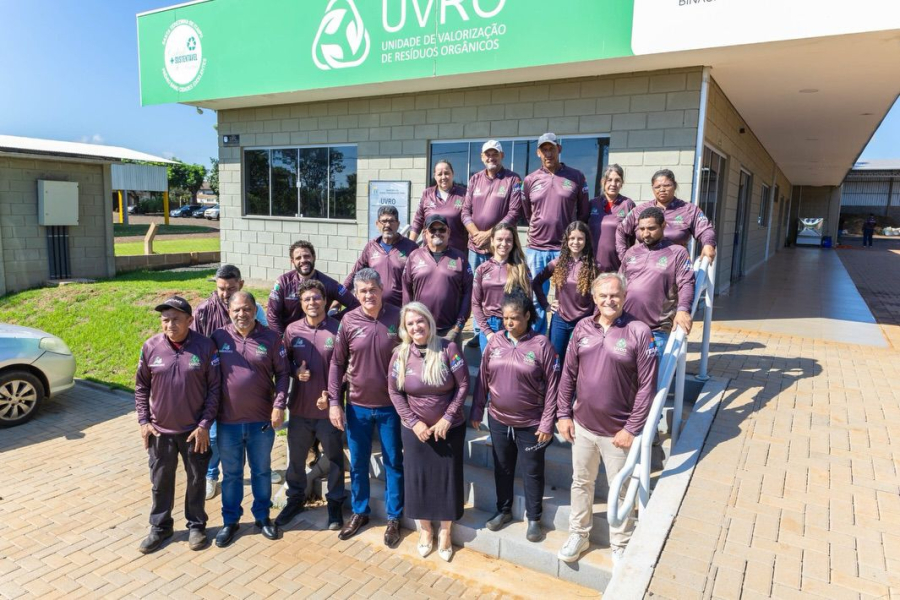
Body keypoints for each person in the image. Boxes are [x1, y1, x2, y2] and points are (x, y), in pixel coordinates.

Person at [556, 273, 658, 566]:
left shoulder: (639, 331)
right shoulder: (582, 328)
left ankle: (621, 544)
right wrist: (563, 414)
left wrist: (631, 428)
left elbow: (646, 387)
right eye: (603, 296)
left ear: (625, 297)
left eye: (614, 295)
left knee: (620, 488)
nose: (609, 300)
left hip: (618, 432)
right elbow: (568, 375)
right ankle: (579, 533)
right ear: (595, 298)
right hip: (584, 426)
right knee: (581, 482)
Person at [471, 292, 559, 543]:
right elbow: (483, 379)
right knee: (502, 467)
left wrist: (546, 422)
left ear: (528, 317)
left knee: (532, 471)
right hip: (499, 419)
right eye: (505, 318)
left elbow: (554, 386)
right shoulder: (496, 342)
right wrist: (478, 410)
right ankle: (504, 510)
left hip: (531, 423)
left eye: (515, 319)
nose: (509, 323)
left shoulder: (542, 345)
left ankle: (534, 519)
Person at [134, 296, 219, 554]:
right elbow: (141, 387)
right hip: (160, 431)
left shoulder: (205, 347)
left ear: (190, 321)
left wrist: (205, 424)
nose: (170, 325)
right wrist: (144, 421)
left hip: (195, 432)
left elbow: (215, 389)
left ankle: (196, 525)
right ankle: (160, 527)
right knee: (160, 482)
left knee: (195, 480)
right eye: (165, 320)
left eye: (176, 319)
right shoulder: (150, 347)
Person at [327, 268, 404, 547]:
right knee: (358, 464)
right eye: (363, 291)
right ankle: (360, 512)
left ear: (381, 289)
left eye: (373, 289)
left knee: (393, 462)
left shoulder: (398, 316)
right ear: (356, 294)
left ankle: (394, 517)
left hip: (391, 407)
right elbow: (336, 363)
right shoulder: (348, 321)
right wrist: (335, 402)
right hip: (357, 406)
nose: (369, 295)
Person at [388, 302, 469, 561]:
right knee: (418, 478)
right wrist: (413, 422)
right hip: (416, 431)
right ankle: (425, 530)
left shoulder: (448, 348)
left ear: (429, 322)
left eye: (419, 321)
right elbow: (393, 391)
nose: (416, 327)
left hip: (448, 429)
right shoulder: (400, 354)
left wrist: (447, 417)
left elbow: (463, 384)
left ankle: (445, 531)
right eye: (410, 324)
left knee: (447, 478)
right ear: (405, 328)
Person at [211, 291, 290, 547]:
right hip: (227, 422)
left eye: (246, 309)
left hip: (261, 422)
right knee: (231, 475)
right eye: (236, 310)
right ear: (229, 312)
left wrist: (279, 406)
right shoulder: (219, 337)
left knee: (261, 471)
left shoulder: (271, 338)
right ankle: (230, 521)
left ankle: (263, 517)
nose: (241, 314)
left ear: (255, 310)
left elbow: (283, 374)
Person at [191, 264, 267, 502]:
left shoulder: (255, 310)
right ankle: (211, 475)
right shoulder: (203, 311)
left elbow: (265, 338)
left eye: (231, 288)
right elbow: (194, 346)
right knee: (212, 437)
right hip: (213, 388)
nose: (225, 294)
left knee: (249, 440)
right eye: (221, 288)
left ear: (241, 285)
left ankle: (259, 474)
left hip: (247, 393)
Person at [275, 279, 346, 531]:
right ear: (301, 304)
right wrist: (296, 371)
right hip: (300, 410)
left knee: (335, 459)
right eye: (306, 299)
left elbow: (349, 369)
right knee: (295, 460)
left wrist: (333, 394)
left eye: (316, 298)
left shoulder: (338, 329)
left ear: (325, 300)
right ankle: (295, 499)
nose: (312, 303)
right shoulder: (292, 331)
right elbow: (282, 367)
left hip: (328, 411)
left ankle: (335, 503)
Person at [522, 133, 591, 335]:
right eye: (544, 149)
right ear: (538, 153)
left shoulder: (576, 176)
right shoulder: (530, 180)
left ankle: (565, 341)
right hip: (537, 247)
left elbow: (583, 212)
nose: (548, 153)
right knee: (536, 298)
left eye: (551, 148)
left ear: (559, 149)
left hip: (566, 249)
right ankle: (538, 341)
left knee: (569, 296)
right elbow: (527, 213)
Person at [461, 141, 523, 345]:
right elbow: (465, 212)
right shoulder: (474, 179)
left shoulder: (512, 179)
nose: (491, 158)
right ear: (481, 157)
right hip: (475, 247)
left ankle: (505, 331)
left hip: (500, 246)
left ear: (502, 155)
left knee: (502, 288)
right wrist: (477, 234)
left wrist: (490, 235)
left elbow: (514, 212)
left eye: (495, 154)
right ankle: (480, 334)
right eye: (487, 154)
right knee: (477, 291)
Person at [620, 206, 695, 352]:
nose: (645, 234)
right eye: (641, 229)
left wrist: (683, 310)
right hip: (626, 326)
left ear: (663, 225)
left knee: (655, 375)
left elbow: (687, 283)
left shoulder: (678, 253)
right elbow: (619, 284)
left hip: (656, 331)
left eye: (651, 228)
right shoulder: (632, 252)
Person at [532, 221, 599, 363]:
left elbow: (600, 296)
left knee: (578, 361)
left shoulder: (594, 266)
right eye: (572, 238)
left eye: (580, 238)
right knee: (556, 359)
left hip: (583, 321)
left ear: (586, 240)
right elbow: (536, 282)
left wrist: (595, 319)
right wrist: (546, 305)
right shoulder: (558, 263)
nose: (576, 242)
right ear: (566, 240)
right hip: (560, 320)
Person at [616, 169, 716, 262]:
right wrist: (624, 257)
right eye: (657, 187)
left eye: (667, 185)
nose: (662, 189)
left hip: (676, 267)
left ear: (675, 186)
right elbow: (621, 231)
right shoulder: (640, 210)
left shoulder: (689, 210)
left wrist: (708, 244)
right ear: (653, 188)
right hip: (643, 268)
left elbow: (705, 230)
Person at [402, 214, 473, 344]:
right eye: (432, 230)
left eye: (442, 229)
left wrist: (458, 326)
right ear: (425, 233)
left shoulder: (460, 258)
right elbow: (406, 290)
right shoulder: (414, 256)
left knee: (451, 364)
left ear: (448, 232)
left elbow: (468, 293)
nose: (437, 233)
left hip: (450, 330)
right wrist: (410, 322)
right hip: (421, 329)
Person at [267, 240, 359, 337]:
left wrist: (333, 320)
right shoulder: (283, 282)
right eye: (298, 258)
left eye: (307, 256)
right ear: (292, 261)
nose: (303, 260)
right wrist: (283, 339)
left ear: (314, 257)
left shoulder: (329, 284)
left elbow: (355, 305)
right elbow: (272, 316)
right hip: (290, 338)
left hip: (318, 337)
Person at [471, 222, 532, 353]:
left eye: (508, 240)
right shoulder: (482, 269)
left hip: (513, 325)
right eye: (499, 239)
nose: (504, 244)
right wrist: (487, 332)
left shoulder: (521, 269)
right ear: (492, 241)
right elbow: (475, 304)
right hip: (489, 325)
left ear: (514, 242)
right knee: (489, 368)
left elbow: (528, 301)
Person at [345, 206, 418, 307]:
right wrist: (338, 299)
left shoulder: (411, 247)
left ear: (398, 224)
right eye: (384, 221)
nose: (387, 225)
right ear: (377, 224)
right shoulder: (371, 247)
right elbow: (354, 274)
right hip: (374, 307)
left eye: (391, 221)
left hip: (401, 310)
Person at [409, 160, 469, 255]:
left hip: (456, 252)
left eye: (446, 173)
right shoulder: (427, 194)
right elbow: (418, 221)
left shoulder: (464, 194)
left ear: (453, 174)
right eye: (439, 174)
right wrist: (410, 244)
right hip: (430, 252)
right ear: (435, 176)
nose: (443, 177)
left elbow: (470, 220)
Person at [588, 165, 636, 272]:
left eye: (617, 180)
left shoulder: (628, 204)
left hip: (617, 266)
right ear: (602, 181)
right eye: (609, 180)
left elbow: (633, 237)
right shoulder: (593, 203)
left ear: (622, 183)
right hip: (592, 265)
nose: (613, 184)